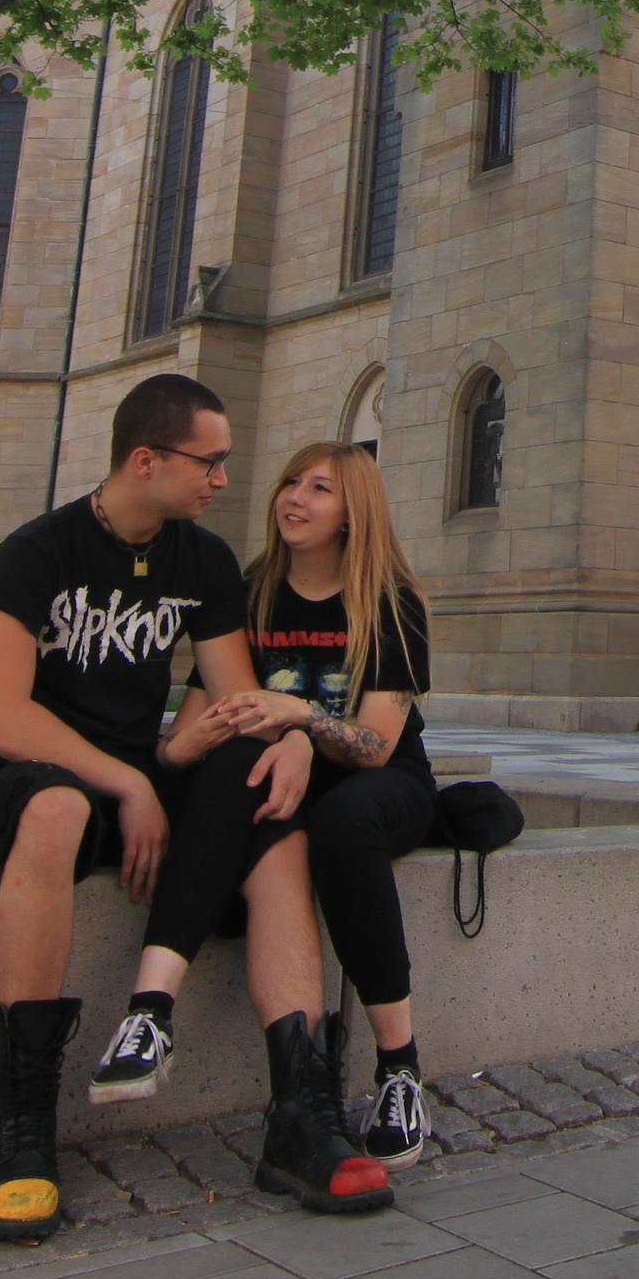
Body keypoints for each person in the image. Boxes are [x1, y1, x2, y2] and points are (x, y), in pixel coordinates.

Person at [0, 375, 391, 1243]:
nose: (225, 480)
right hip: (28, 778)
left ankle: (300, 1113)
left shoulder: (202, 560)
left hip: (136, 778)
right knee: (58, 810)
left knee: (266, 803)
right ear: (145, 460)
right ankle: (22, 1122)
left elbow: (235, 703)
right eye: (210, 462)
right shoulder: (39, 552)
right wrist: (130, 782)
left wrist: (294, 730)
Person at [99, 442, 441, 1166]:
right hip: (281, 770)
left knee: (345, 827)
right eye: (291, 482)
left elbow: (377, 744)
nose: (294, 498)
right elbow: (202, 717)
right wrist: (178, 752)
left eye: (320, 488)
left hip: (378, 781)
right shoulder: (250, 591)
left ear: (355, 512)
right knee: (234, 770)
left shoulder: (389, 600)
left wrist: (298, 722)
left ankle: (400, 1068)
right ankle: (150, 1013)